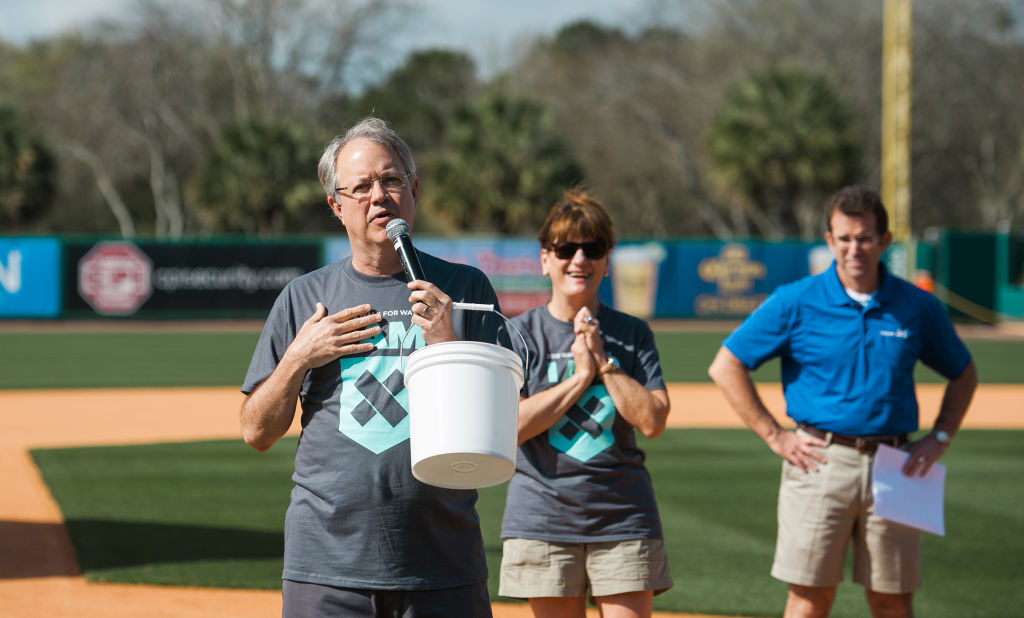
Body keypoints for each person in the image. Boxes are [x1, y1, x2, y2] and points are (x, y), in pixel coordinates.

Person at [240, 117, 507, 618]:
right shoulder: (304, 298)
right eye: (360, 187)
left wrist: (448, 346)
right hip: (327, 565)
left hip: (442, 564)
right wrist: (300, 356)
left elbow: (500, 428)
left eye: (391, 180)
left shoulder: (465, 290)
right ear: (336, 206)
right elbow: (257, 431)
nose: (378, 195)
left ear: (415, 191)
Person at [707, 186, 978, 618]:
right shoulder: (795, 300)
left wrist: (940, 437)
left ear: (885, 240)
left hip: (898, 463)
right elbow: (726, 366)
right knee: (810, 597)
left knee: (893, 600)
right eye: (845, 238)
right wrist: (774, 435)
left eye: (866, 238)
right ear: (829, 240)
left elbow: (964, 372)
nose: (855, 248)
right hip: (819, 461)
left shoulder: (917, 306)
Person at [498, 189, 673, 618]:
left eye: (593, 249)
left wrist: (605, 364)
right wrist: (579, 378)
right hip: (542, 517)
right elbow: (509, 427)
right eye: (565, 248)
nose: (579, 259)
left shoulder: (632, 334)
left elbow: (652, 421)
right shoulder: (518, 334)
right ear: (545, 259)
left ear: (607, 260)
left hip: (624, 517)